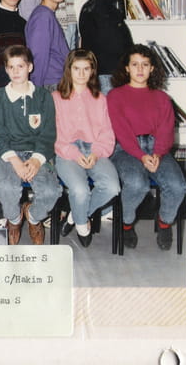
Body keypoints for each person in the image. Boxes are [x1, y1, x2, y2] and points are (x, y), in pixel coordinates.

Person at [107, 44, 186, 251]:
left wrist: (158, 154)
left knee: (178, 186)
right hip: (125, 150)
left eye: (145, 64)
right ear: (127, 68)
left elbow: (166, 131)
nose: (140, 69)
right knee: (137, 184)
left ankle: (164, 222)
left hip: (157, 149)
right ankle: (126, 224)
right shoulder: (115, 96)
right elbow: (122, 131)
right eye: (135, 64)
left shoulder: (162, 98)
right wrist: (141, 156)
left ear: (152, 68)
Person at [0, 45, 60, 245]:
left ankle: (33, 217)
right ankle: (14, 220)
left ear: (30, 67)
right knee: (6, 188)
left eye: (20, 66)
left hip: (37, 153)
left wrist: (36, 160)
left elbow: (48, 133)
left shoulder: (43, 96)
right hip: (8, 154)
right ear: (6, 69)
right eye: (11, 67)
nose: (15, 71)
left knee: (51, 192)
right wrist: (15, 162)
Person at [52, 49, 120, 247]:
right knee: (80, 190)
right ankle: (83, 226)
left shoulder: (100, 98)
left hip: (95, 148)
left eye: (86, 69)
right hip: (66, 150)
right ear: (69, 70)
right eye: (76, 69)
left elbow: (107, 132)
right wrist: (74, 154)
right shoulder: (56, 97)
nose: (81, 74)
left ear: (92, 71)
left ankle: (75, 216)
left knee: (112, 187)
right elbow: (54, 134)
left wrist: (96, 154)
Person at [78, 0, 133, 93]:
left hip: (117, 77)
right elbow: (92, 52)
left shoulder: (113, 10)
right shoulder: (91, 10)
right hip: (103, 79)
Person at [25, 0, 70, 90]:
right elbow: (38, 56)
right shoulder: (42, 17)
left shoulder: (47, 14)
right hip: (50, 83)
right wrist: (37, 90)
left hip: (58, 80)